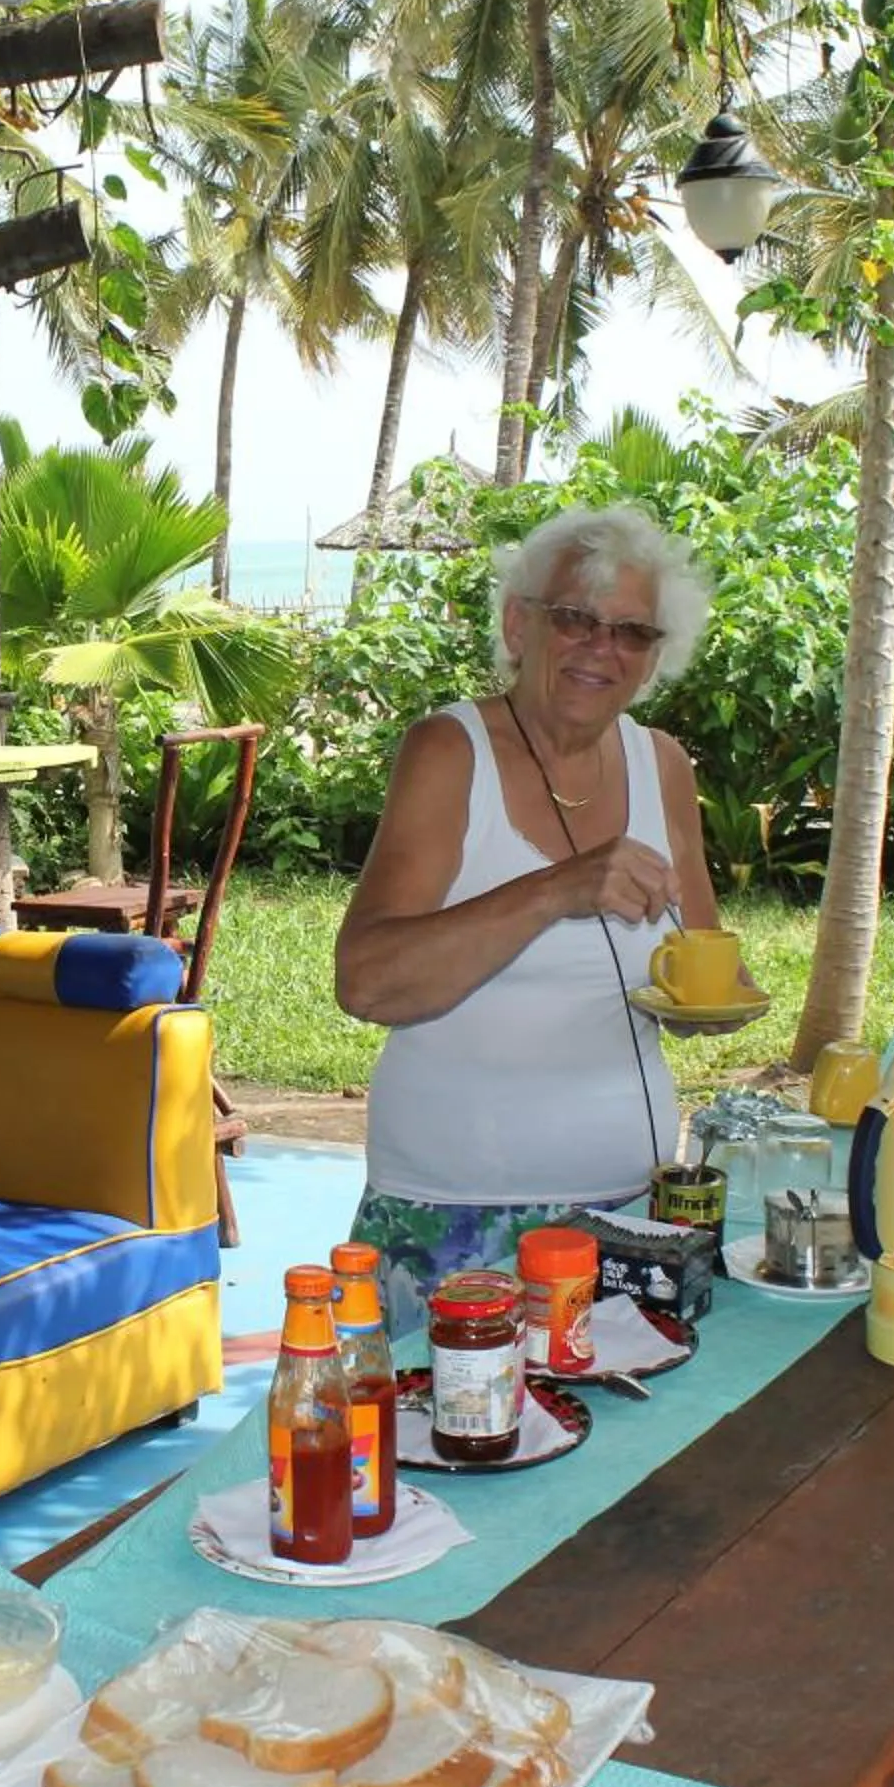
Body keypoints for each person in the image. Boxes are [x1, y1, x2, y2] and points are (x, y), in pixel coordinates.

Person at [333, 504, 754, 1325]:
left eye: (633, 632)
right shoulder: (450, 751)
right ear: (519, 623)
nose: (604, 648)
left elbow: (707, 959)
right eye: (577, 620)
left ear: (655, 657)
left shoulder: (660, 764)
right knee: (450, 1439)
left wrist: (718, 1001)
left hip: (630, 1218)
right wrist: (561, 887)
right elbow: (369, 984)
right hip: (454, 1219)